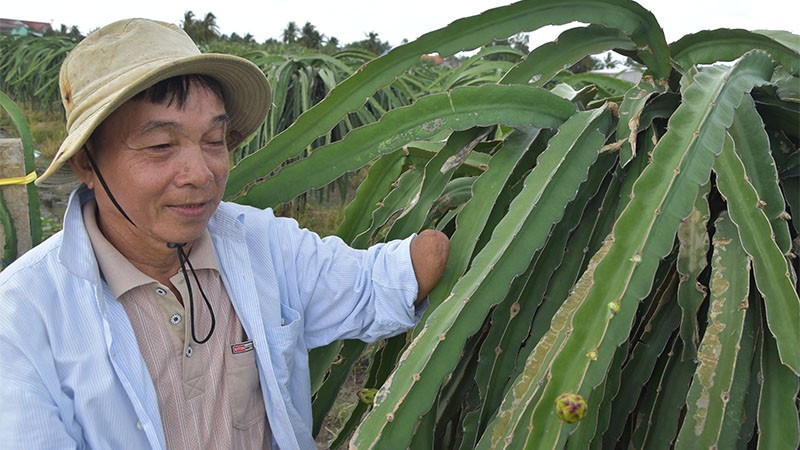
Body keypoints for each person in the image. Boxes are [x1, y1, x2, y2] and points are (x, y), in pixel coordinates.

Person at [0, 18, 449, 449]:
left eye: (214, 142)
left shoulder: (262, 242)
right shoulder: (21, 318)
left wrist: (451, 225)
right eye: (160, 146)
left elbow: (377, 284)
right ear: (86, 163)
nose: (201, 173)